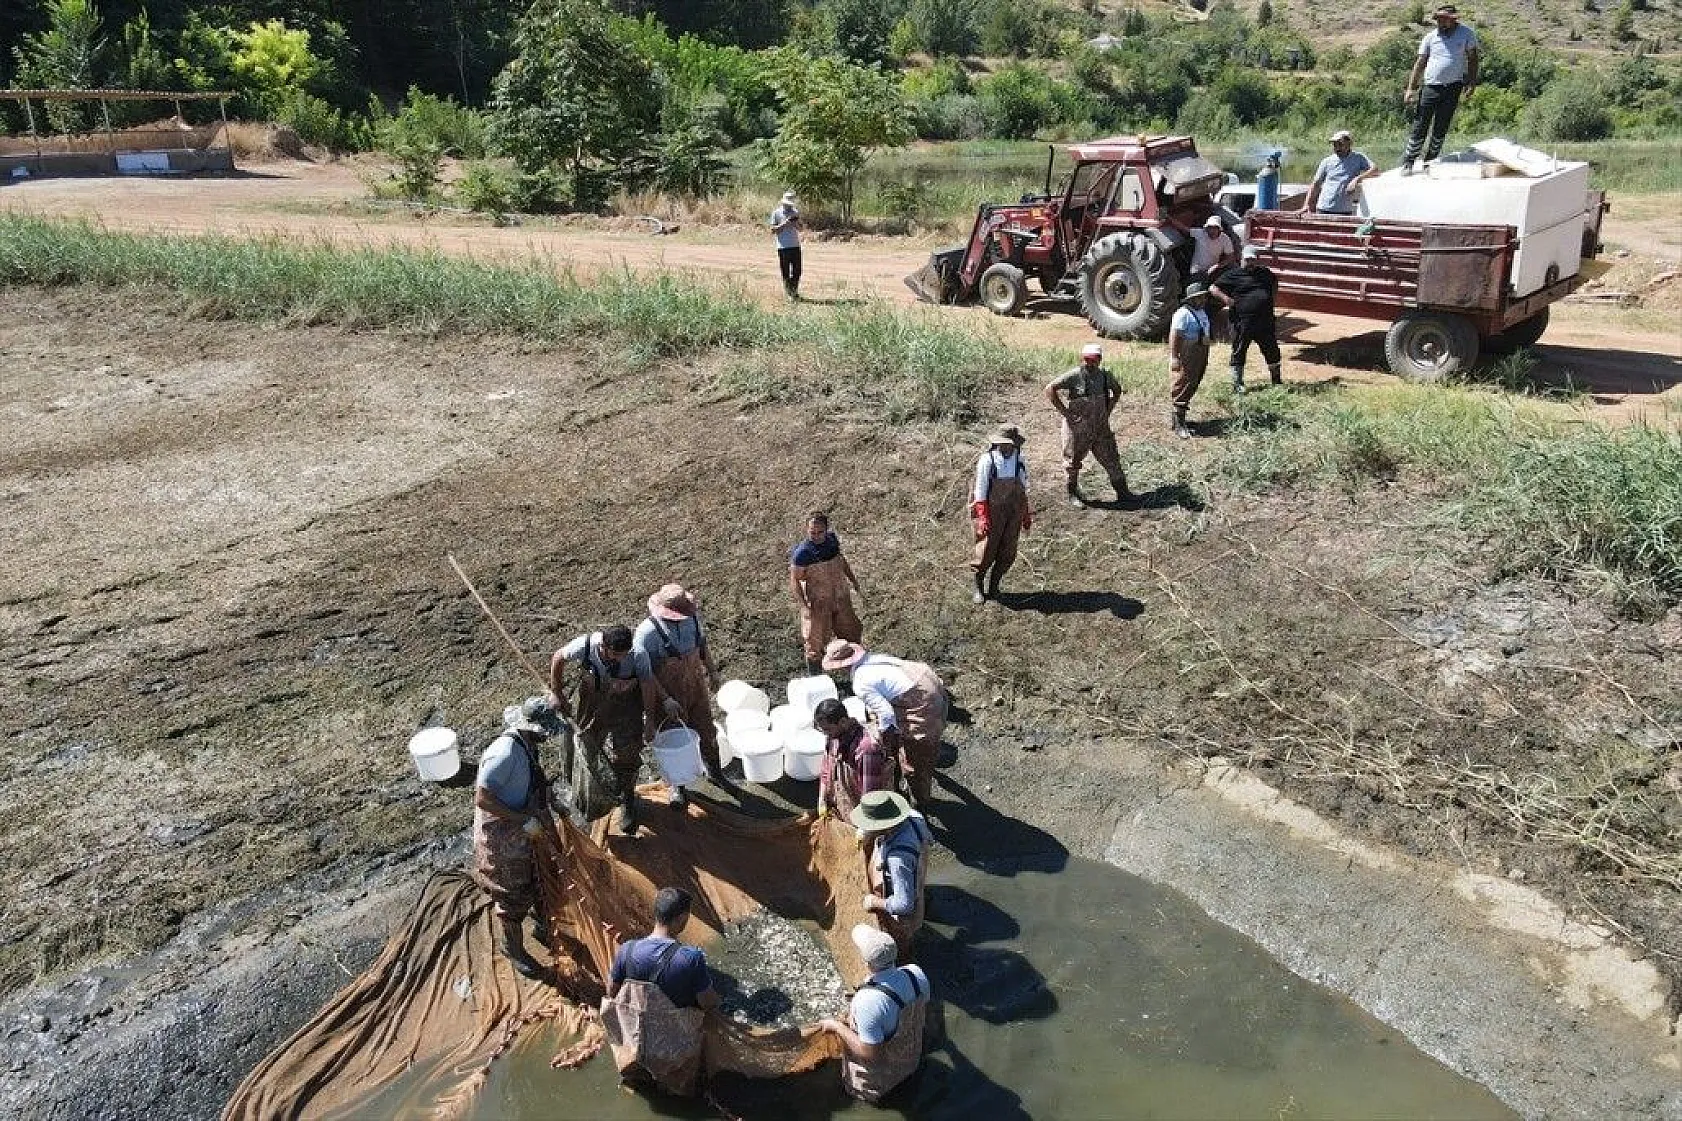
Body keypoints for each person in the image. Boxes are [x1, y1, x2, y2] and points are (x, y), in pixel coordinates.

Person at [601, 886, 720, 1097]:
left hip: (634, 1045)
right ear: (682, 918)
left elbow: (612, 992)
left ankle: (639, 1082)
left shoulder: (626, 950)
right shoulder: (691, 958)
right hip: (674, 1051)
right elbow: (708, 1003)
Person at [472, 697, 559, 979]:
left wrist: (550, 801)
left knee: (540, 874)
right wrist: (522, 819)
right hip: (502, 832)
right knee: (512, 893)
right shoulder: (505, 752)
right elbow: (482, 798)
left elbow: (532, 779)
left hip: (525, 820)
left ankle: (542, 925)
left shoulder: (527, 745)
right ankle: (514, 949)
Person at [822, 640, 947, 811]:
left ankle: (920, 802)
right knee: (911, 735)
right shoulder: (872, 659)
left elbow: (887, 715)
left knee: (915, 755)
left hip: (922, 699)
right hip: (927, 679)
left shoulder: (860, 682)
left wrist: (880, 738)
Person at [633, 583, 725, 804]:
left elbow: (702, 646)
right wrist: (665, 699)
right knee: (675, 740)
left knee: (707, 730)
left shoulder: (692, 620)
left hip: (695, 687)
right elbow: (646, 674)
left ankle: (715, 772)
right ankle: (678, 787)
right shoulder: (647, 633)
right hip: (669, 696)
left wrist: (712, 672)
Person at [818, 923, 931, 1104]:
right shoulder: (915, 973)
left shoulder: (867, 1002)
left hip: (879, 1084)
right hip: (910, 1063)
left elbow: (870, 1054)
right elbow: (917, 1012)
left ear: (867, 963)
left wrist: (836, 1026)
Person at [551, 625, 643, 835]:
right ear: (603, 647)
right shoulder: (584, 646)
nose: (621, 659)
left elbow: (647, 682)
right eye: (616, 655)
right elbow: (558, 657)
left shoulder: (637, 654)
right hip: (593, 703)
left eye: (624, 655)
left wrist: (649, 720)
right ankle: (591, 794)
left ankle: (627, 801)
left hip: (626, 707)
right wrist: (557, 692)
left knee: (627, 753)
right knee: (587, 748)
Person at [1044, 343, 1135, 510]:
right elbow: (1050, 389)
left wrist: (1108, 409)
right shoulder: (1074, 375)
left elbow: (1117, 390)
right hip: (1077, 429)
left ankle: (1123, 493)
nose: (1089, 363)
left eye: (1093, 360)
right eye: (1086, 359)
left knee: (1112, 459)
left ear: (1099, 360)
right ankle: (1073, 494)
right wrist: (1066, 413)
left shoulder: (1105, 376)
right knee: (1072, 462)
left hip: (1100, 428)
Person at [851, 790, 933, 963]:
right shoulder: (914, 816)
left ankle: (904, 960)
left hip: (902, 905)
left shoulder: (898, 859)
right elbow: (928, 840)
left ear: (885, 826)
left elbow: (904, 904)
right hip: (913, 872)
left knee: (899, 944)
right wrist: (866, 832)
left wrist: (875, 902)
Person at [1402, 6, 1479, 174]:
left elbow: (1473, 59)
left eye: (1444, 19)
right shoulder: (1430, 37)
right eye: (1438, 19)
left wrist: (1472, 82)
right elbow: (1420, 63)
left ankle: (1430, 161)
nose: (1440, 22)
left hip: (1453, 87)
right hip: (1431, 86)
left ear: (1453, 20)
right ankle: (1409, 161)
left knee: (1441, 126)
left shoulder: (1467, 33)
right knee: (1420, 124)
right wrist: (1410, 88)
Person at [789, 511, 863, 676]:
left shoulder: (832, 541)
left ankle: (856, 670)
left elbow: (841, 561)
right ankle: (816, 677)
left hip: (841, 597)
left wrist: (853, 580)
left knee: (851, 632)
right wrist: (804, 606)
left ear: (826, 529)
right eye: (811, 532)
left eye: (819, 532)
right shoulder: (802, 553)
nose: (815, 535)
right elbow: (794, 581)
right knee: (814, 640)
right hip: (819, 602)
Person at [968, 424, 1031, 604]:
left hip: (1013, 510)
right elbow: (980, 491)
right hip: (992, 510)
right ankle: (978, 586)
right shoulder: (988, 460)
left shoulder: (1019, 459)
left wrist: (1025, 514)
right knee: (986, 549)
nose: (1006, 447)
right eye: (1003, 444)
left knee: (1008, 550)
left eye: (1009, 444)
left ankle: (994, 587)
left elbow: (1024, 486)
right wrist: (983, 517)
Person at [813, 696, 899, 822]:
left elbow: (871, 796)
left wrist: (865, 829)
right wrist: (822, 798)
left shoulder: (866, 750)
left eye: (827, 729)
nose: (826, 734)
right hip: (845, 799)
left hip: (865, 808)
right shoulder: (834, 736)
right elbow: (827, 766)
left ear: (842, 722)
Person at [1211, 245, 1282, 394]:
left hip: (1265, 322)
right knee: (1239, 351)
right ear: (1242, 258)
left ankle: (1276, 381)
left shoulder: (1265, 273)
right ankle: (1237, 384)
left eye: (1253, 260)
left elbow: (1275, 283)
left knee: (1272, 351)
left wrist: (1270, 299)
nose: (1250, 263)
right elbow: (1213, 288)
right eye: (1247, 259)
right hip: (1242, 323)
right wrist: (1226, 300)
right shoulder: (1233, 275)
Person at [1168, 281, 1214, 439]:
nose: (1203, 300)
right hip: (1188, 352)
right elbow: (1175, 336)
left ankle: (1180, 420)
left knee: (1193, 382)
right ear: (1191, 299)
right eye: (1199, 298)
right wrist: (1174, 357)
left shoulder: (1201, 311)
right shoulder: (1183, 314)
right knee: (1184, 383)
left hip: (1201, 350)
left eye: (1203, 297)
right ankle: (1179, 423)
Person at [1306, 130, 1378, 216]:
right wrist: (1307, 205)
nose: (1337, 148)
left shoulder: (1358, 158)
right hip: (1323, 208)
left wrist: (1357, 179)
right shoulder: (1327, 161)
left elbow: (1375, 170)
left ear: (1349, 144)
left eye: (1340, 144)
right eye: (1334, 145)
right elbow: (1316, 184)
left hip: (1344, 210)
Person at [770, 189, 803, 300]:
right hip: (783, 246)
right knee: (785, 271)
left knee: (797, 271)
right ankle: (789, 293)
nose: (789, 206)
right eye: (787, 204)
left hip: (795, 245)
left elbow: (800, 229)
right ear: (783, 202)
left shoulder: (795, 212)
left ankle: (794, 291)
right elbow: (773, 230)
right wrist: (784, 224)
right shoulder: (776, 213)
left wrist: (795, 223)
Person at [1187, 214, 1237, 285]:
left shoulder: (1225, 238)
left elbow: (1230, 257)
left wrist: (1217, 266)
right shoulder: (1200, 233)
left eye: (1214, 228)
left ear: (1219, 229)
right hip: (1197, 271)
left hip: (1214, 271)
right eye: (1209, 228)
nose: (1211, 231)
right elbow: (1184, 228)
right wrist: (1170, 219)